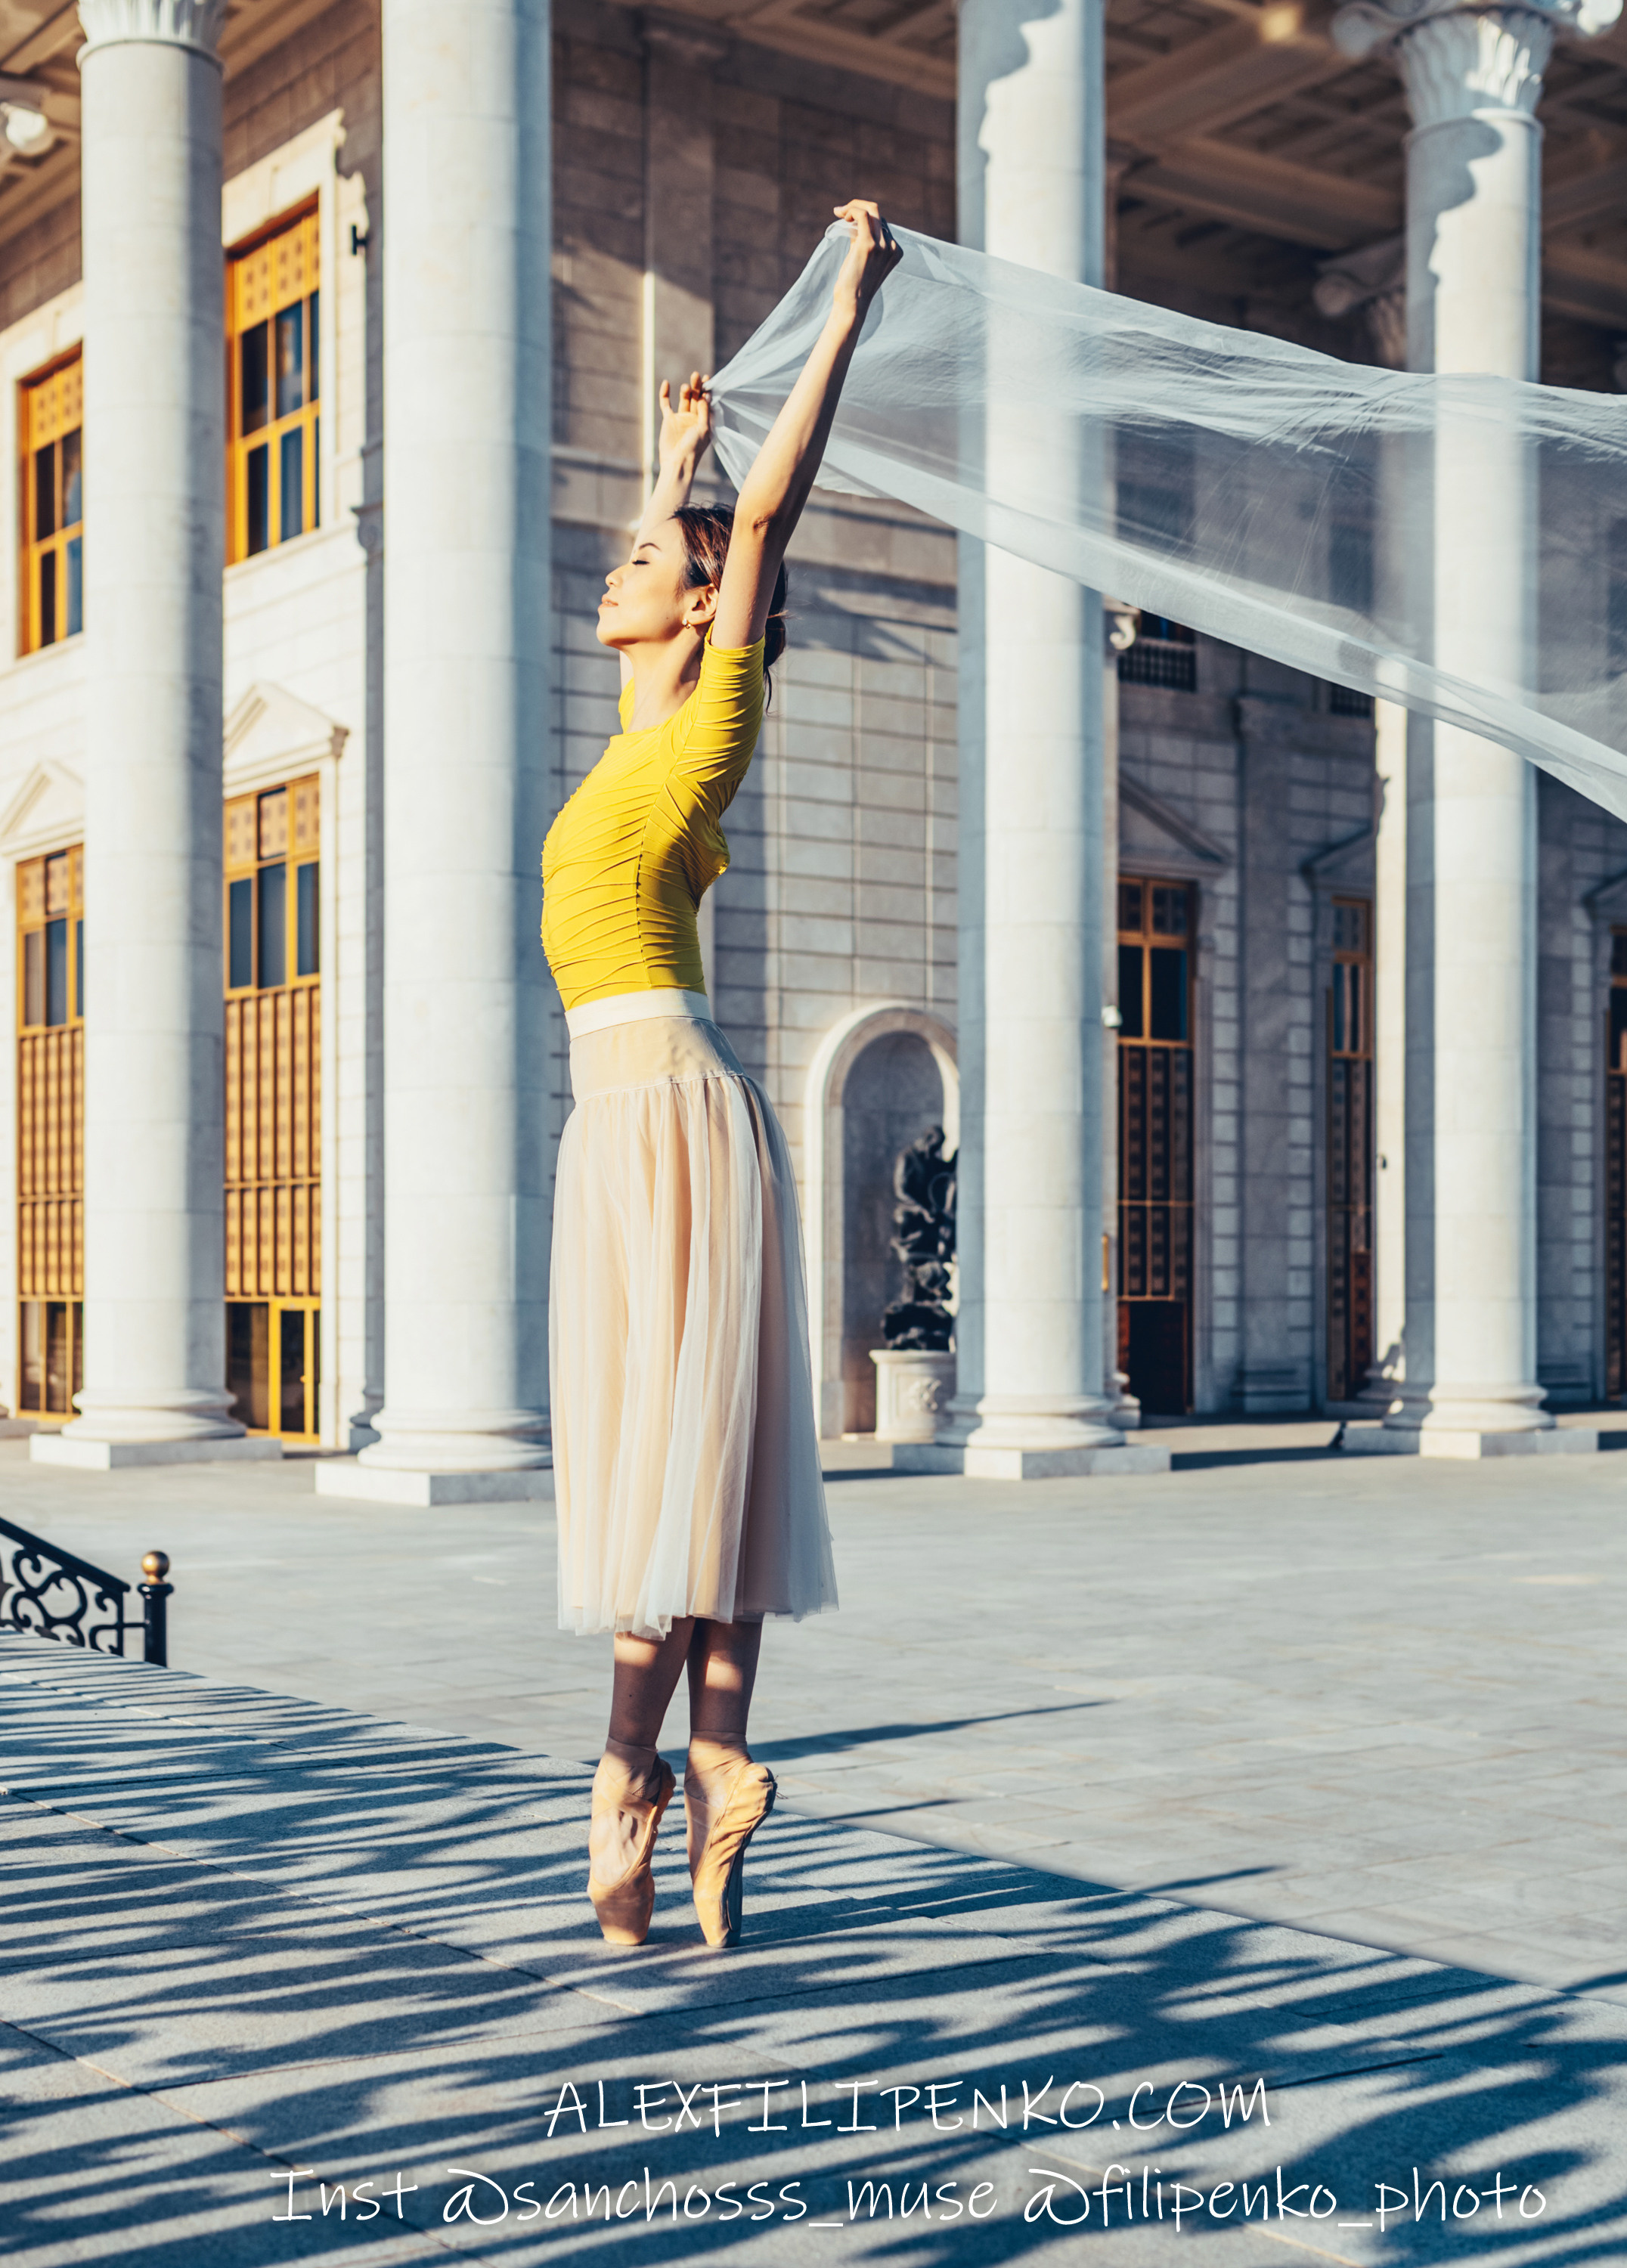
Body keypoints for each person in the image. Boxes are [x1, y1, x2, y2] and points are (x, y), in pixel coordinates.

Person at [541, 200, 902, 1951]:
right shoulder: (642, 736)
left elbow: (768, 513)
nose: (612, 573)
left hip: (666, 1111)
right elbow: (690, 516)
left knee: (668, 1481)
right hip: (626, 1122)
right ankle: (718, 1774)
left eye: (639, 563)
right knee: (694, 1474)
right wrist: (670, 443)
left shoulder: (710, 722)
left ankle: (631, 1785)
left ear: (696, 605)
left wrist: (845, 295)